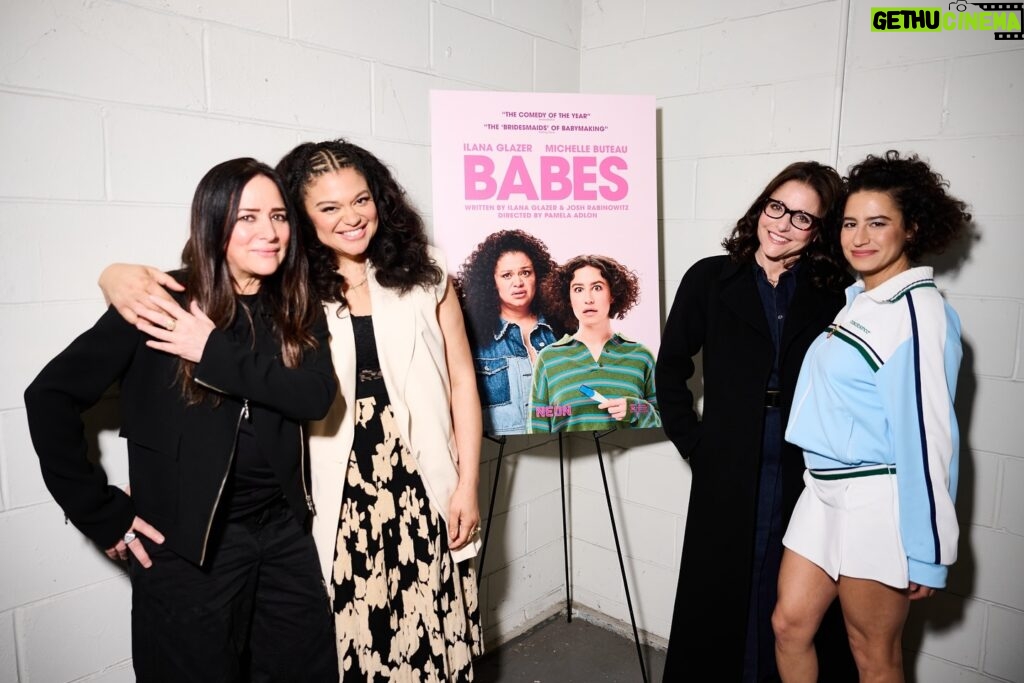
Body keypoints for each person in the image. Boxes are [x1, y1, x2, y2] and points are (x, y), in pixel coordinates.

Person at [99, 139, 484, 681]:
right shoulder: (290, 290)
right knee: (354, 640)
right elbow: (207, 287)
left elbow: (463, 381)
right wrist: (114, 274)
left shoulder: (427, 270)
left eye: (361, 200)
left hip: (422, 476)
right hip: (340, 491)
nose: (351, 218)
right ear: (302, 217)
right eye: (328, 207)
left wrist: (467, 483)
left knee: (431, 628)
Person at [25, 158, 339, 681]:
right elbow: (49, 396)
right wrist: (100, 513)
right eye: (248, 217)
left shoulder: (295, 306)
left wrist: (211, 352)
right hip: (186, 550)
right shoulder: (161, 302)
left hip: (284, 536)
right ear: (214, 223)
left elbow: (313, 396)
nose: (269, 232)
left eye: (280, 217)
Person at [655, 161, 858, 682]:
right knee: (717, 585)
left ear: (819, 232)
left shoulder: (831, 293)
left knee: (788, 591)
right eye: (777, 207)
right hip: (726, 452)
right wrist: (694, 443)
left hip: (801, 458)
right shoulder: (709, 277)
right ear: (761, 205)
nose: (783, 224)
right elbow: (670, 368)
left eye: (803, 218)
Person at [772, 151, 969, 682]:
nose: (859, 236)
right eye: (851, 223)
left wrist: (927, 552)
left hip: (875, 501)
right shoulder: (862, 300)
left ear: (912, 229)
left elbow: (929, 439)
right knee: (789, 626)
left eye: (878, 223)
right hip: (823, 489)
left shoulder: (918, 315)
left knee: (873, 656)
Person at [528, 254, 660, 433]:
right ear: (568, 298)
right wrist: (564, 411)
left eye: (597, 288)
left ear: (612, 294)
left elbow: (660, 418)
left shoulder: (641, 355)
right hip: (569, 459)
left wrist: (635, 408)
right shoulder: (549, 358)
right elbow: (538, 421)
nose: (588, 299)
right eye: (578, 289)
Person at [455, 229, 562, 435]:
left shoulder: (561, 329)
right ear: (491, 282)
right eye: (507, 275)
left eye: (525, 272)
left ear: (537, 276)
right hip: (498, 451)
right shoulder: (473, 336)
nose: (518, 282)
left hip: (557, 440)